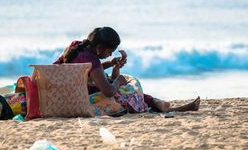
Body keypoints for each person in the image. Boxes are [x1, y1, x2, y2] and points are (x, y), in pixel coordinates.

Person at [53, 26, 200, 116]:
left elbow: (84, 72)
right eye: (109, 52)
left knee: (119, 86)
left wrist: (111, 64)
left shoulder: (77, 46)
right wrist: (119, 80)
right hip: (79, 96)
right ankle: (160, 105)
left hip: (63, 89)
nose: (110, 55)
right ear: (99, 48)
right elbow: (108, 91)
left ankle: (157, 103)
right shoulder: (93, 60)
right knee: (126, 89)